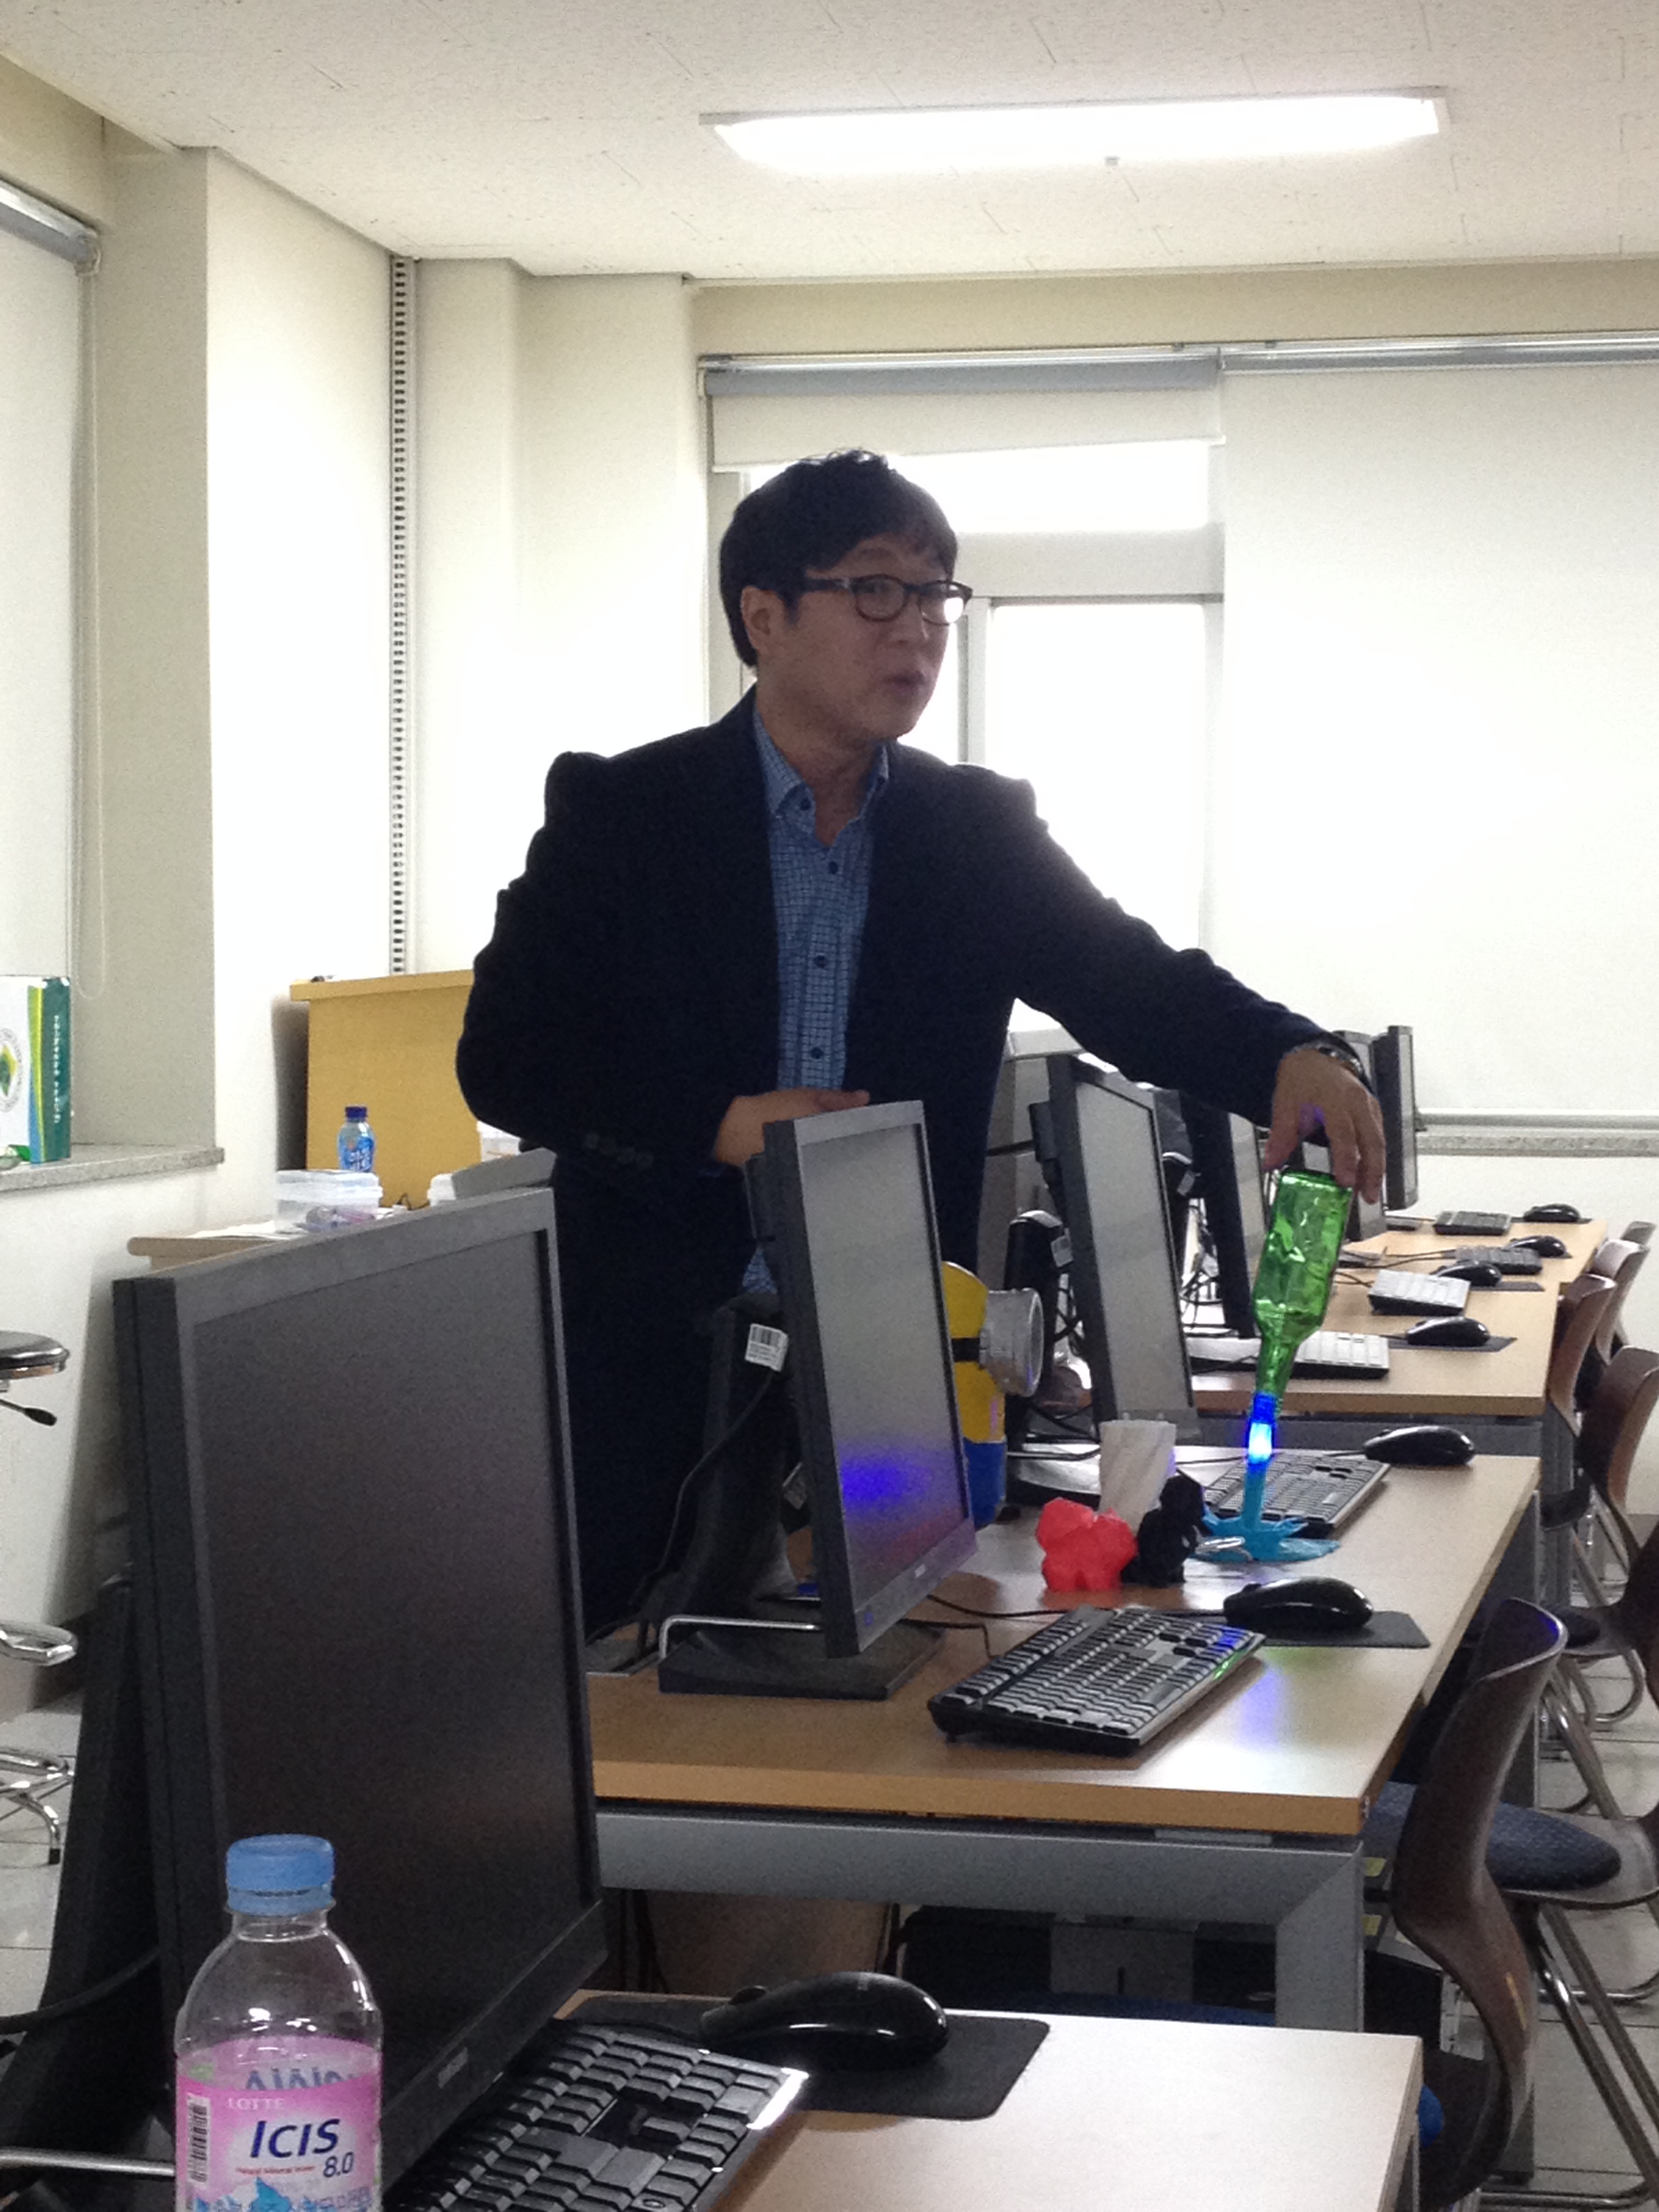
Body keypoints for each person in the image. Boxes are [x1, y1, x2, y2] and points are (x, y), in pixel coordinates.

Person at [458, 449, 1385, 1634]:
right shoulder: (627, 814)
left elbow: (1128, 979)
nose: (918, 630)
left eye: (937, 595)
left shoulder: (972, 831)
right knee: (628, 1668)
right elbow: (508, 1054)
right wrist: (717, 1124)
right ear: (764, 615)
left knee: (896, 1662)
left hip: (885, 1354)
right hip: (651, 1357)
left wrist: (1289, 1054)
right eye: (875, 590)